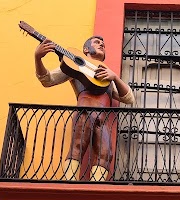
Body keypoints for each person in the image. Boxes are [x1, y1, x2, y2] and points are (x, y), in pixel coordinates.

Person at [34, 35, 135, 181]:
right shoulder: (74, 66)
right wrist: (38, 58)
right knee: (77, 147)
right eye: (97, 42)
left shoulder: (106, 75)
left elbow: (129, 98)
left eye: (103, 44)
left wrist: (115, 77)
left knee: (106, 154)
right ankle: (69, 184)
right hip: (84, 113)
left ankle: (96, 187)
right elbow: (48, 80)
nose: (102, 45)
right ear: (86, 49)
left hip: (102, 119)